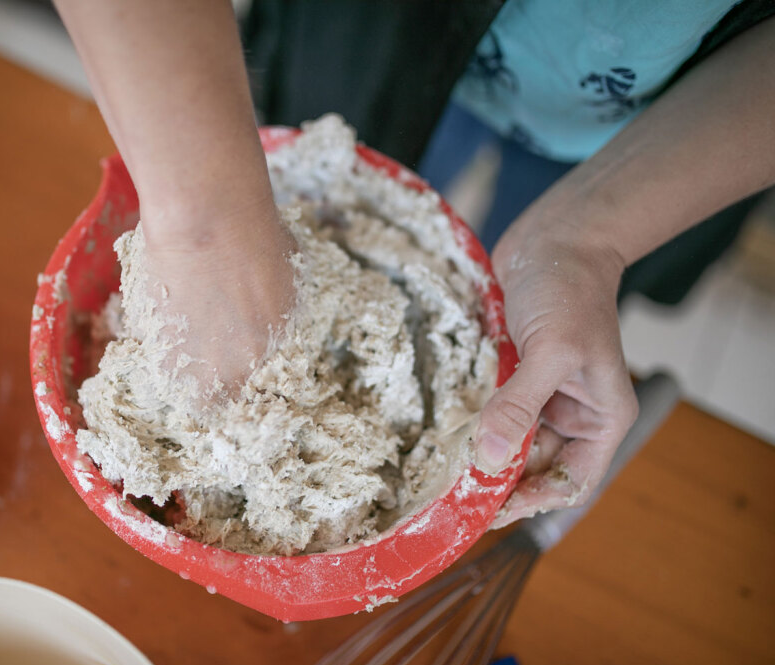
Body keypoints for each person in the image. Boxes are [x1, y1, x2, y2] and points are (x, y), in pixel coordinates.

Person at [52, 0, 775, 528]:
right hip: (379, 28)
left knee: (509, 323)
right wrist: (204, 225)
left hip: (669, 122)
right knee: (345, 142)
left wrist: (589, 242)